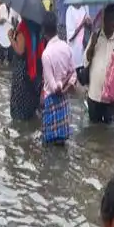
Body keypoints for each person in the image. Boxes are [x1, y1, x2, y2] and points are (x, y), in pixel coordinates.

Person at [85, 4, 114, 124]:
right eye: (110, 19)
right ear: (104, 20)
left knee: (111, 133)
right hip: (94, 95)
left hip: (111, 99)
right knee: (94, 131)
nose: (112, 23)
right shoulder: (95, 37)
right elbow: (86, 61)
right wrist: (92, 45)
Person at [40, 10, 75, 146]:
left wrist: (62, 84)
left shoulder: (46, 54)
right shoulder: (66, 47)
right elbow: (73, 73)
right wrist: (67, 86)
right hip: (64, 101)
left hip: (51, 101)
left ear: (44, 31)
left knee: (48, 145)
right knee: (62, 143)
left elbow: (54, 88)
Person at [10, 17, 42, 121]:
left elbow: (20, 50)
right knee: (31, 105)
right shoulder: (37, 26)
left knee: (20, 110)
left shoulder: (23, 26)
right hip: (35, 69)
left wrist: (10, 37)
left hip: (23, 71)